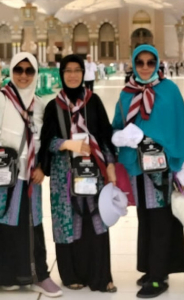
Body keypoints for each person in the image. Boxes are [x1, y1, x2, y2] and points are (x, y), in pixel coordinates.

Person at [112, 45, 184, 298]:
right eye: (140, 63)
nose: (145, 67)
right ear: (134, 65)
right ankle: (152, 268)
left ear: (157, 64)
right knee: (146, 218)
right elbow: (117, 126)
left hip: (163, 167)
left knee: (160, 219)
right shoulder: (127, 93)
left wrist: (183, 162)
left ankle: (159, 278)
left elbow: (180, 125)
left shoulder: (168, 90)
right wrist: (123, 137)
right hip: (139, 166)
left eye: (150, 63)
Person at [0, 52, 62, 298]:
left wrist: (42, 167)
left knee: (31, 222)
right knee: (3, 223)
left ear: (35, 74)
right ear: (11, 72)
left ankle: (37, 274)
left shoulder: (39, 104)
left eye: (29, 71)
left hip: (30, 175)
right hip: (2, 174)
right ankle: (6, 275)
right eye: (18, 70)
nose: (23, 76)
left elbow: (42, 141)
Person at [39, 54, 118, 293]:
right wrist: (66, 144)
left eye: (77, 70)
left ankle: (101, 276)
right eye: (68, 70)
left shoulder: (94, 102)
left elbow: (105, 136)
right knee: (68, 221)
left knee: (96, 220)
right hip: (65, 173)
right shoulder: (54, 106)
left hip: (94, 171)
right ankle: (71, 274)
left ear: (84, 73)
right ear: (61, 74)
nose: (73, 75)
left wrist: (111, 164)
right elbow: (46, 142)